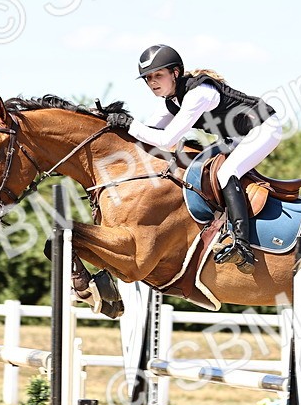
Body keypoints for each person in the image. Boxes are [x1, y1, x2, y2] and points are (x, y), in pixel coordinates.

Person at [103, 44, 282, 274]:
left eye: (158, 75)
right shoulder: (171, 102)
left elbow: (166, 139)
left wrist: (129, 124)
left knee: (226, 172)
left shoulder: (199, 93)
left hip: (264, 127)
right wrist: (111, 122)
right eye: (148, 78)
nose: (152, 82)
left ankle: (242, 245)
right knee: (200, 167)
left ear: (175, 72)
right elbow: (147, 133)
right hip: (235, 137)